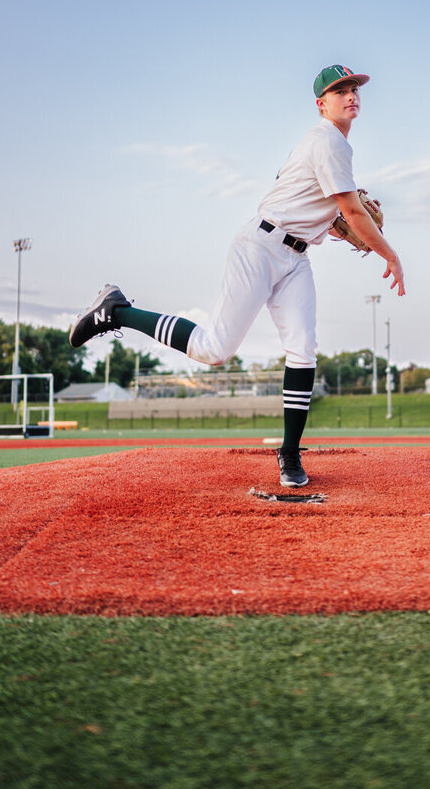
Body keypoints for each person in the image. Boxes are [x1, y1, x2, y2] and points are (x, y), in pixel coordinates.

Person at [69, 65, 405, 487]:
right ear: (321, 104)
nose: (350, 94)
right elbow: (352, 211)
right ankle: (117, 311)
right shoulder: (326, 140)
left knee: (303, 349)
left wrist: (337, 227)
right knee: (213, 349)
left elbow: (328, 212)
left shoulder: (333, 145)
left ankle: (289, 454)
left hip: (295, 256)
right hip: (260, 247)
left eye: (353, 88)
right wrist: (389, 255)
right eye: (340, 90)